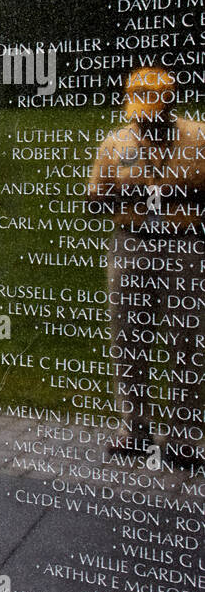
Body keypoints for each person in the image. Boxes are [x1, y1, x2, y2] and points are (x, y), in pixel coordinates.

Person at [87, 67, 205, 466]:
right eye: (139, 112)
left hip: (185, 244)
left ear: (170, 105)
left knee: (186, 340)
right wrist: (132, 192)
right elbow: (94, 199)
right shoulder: (117, 142)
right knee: (128, 337)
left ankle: (183, 437)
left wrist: (176, 193)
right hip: (132, 242)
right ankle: (134, 430)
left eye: (152, 112)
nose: (145, 121)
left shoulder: (199, 137)